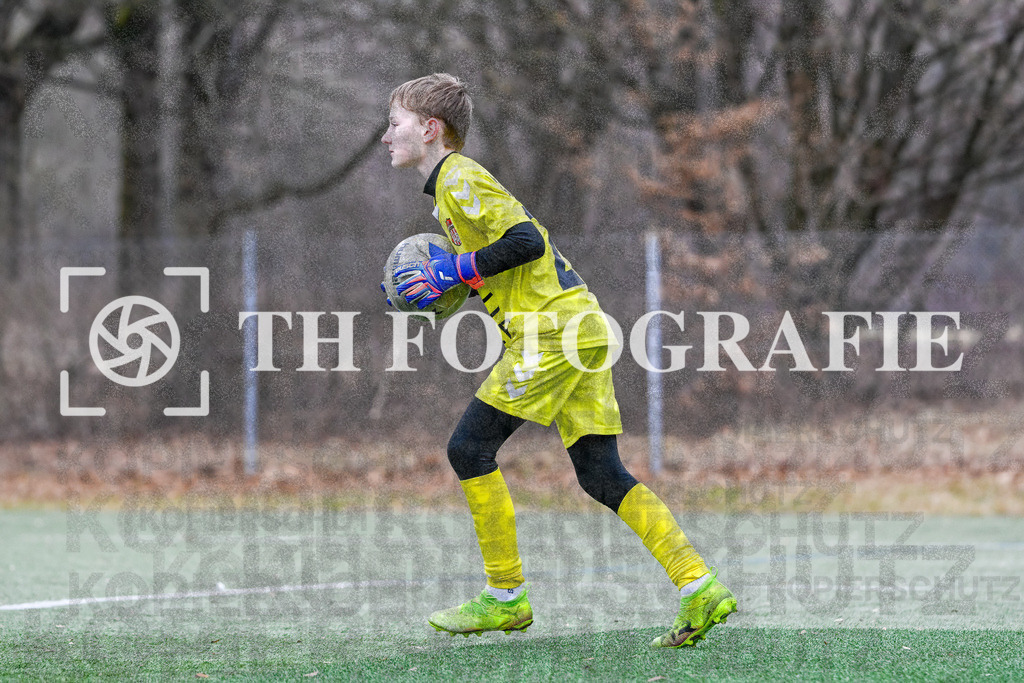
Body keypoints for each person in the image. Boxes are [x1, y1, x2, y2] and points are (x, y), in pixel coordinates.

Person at [380, 72, 737, 648]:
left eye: (394, 123)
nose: (385, 136)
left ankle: (505, 598)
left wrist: (452, 272)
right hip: (580, 326)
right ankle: (699, 586)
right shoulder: (451, 190)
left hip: (555, 334)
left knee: (468, 448)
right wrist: (455, 287)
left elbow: (526, 242)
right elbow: (512, 265)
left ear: (429, 129)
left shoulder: (460, 178)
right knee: (601, 475)